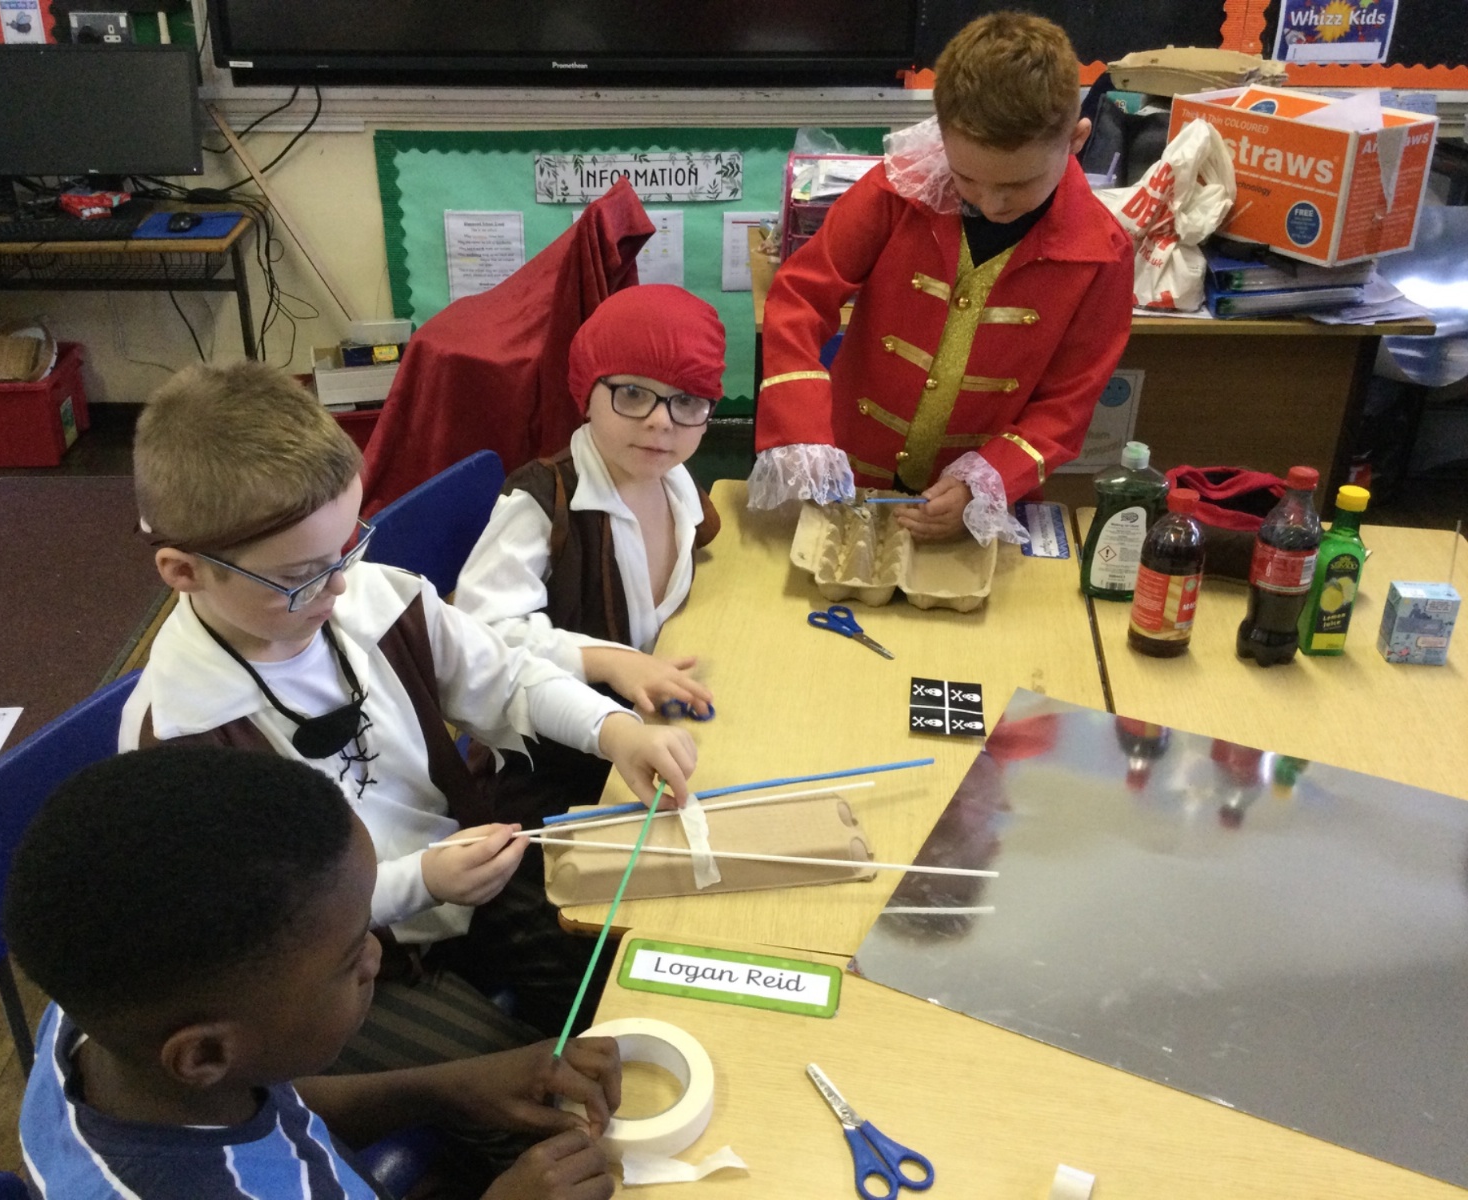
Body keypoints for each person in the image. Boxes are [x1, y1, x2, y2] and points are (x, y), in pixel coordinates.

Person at [119, 359, 696, 1070]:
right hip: (344, 961)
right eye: (300, 576)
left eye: (346, 548)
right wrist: (420, 882)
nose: (338, 585)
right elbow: (263, 925)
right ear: (183, 571)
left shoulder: (379, 597)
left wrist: (615, 730)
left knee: (630, 967)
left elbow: (508, 678)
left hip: (462, 880)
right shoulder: (179, 738)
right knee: (532, 1084)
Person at [4, 745, 622, 1200]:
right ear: (203, 1053)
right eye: (352, 957)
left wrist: (451, 1087)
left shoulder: (95, 1019)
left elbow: (274, 1104)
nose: (376, 957)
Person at [750, 11, 1134, 545]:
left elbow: (1065, 406)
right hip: (849, 479)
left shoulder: (1104, 254)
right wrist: (803, 431)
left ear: (1076, 139)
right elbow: (800, 297)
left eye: (1019, 185)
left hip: (968, 512)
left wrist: (986, 483)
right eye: (966, 177)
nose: (993, 203)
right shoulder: (896, 191)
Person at [453, 284, 724, 827]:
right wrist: (607, 660)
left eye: (686, 401)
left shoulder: (674, 483)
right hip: (556, 762)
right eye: (633, 393)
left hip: (656, 733)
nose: (661, 421)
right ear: (586, 392)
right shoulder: (542, 501)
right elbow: (480, 635)